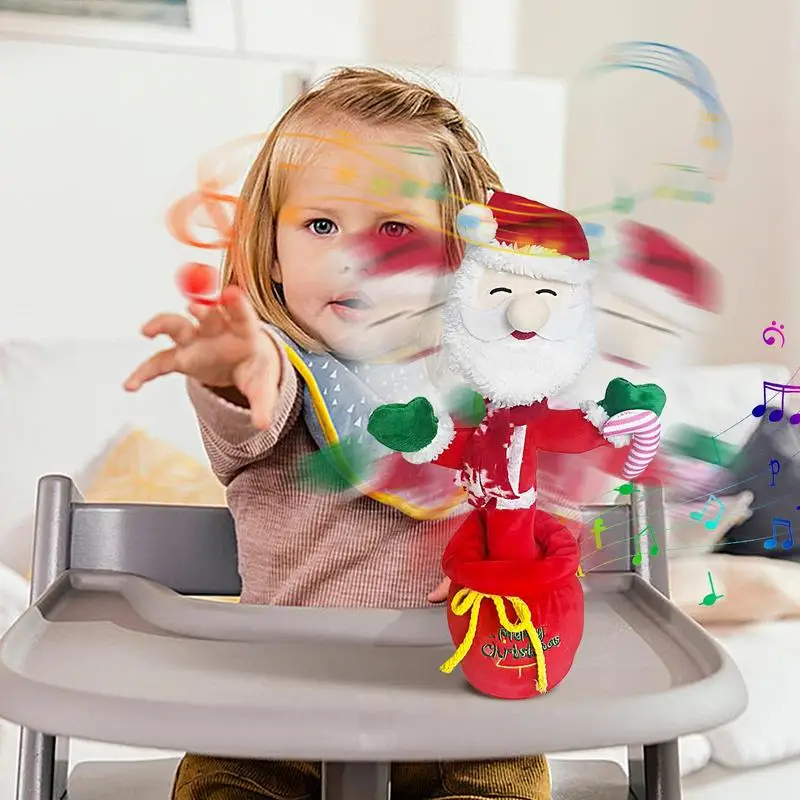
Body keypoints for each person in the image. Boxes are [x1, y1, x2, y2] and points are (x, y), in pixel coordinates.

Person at [125, 67, 552, 800]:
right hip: (270, 721)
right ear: (273, 246)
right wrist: (236, 369)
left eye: (395, 229)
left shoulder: (488, 385)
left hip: (465, 716)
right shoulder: (280, 372)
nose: (355, 257)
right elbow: (254, 410)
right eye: (322, 224)